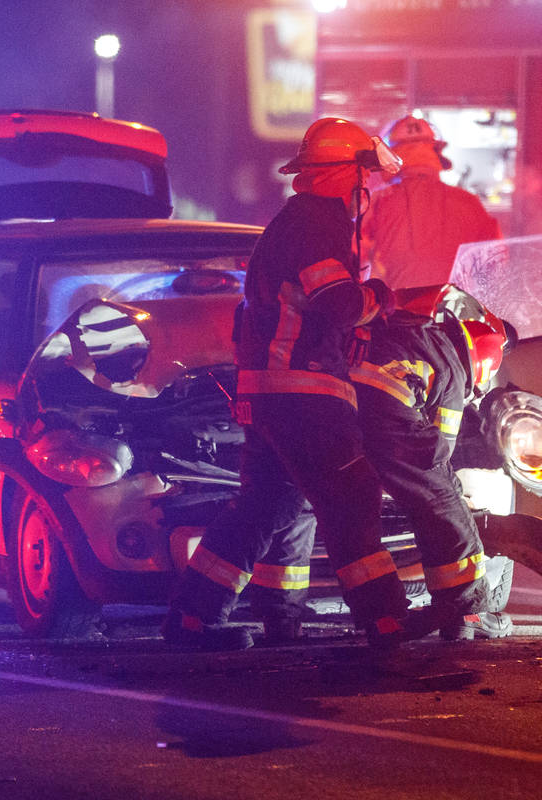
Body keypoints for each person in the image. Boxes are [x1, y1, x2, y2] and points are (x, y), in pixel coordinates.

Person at [163, 117, 431, 650]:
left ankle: (193, 618)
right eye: (366, 180)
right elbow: (336, 303)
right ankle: (386, 620)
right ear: (346, 177)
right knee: (350, 496)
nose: (369, 191)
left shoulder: (293, 221)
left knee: (265, 506)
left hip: (268, 389)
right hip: (304, 391)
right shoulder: (317, 223)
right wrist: (382, 297)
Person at [351, 284, 515, 640]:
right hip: (389, 415)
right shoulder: (453, 368)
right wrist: (451, 489)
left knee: (352, 515)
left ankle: (383, 619)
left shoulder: (413, 336)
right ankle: (468, 615)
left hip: (341, 413)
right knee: (442, 501)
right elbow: (439, 450)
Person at [360, 115, 502, 290]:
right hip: (453, 312)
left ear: (388, 157)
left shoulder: (376, 202)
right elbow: (496, 264)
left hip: (395, 312)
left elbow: (355, 257)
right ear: (434, 151)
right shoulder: (469, 202)